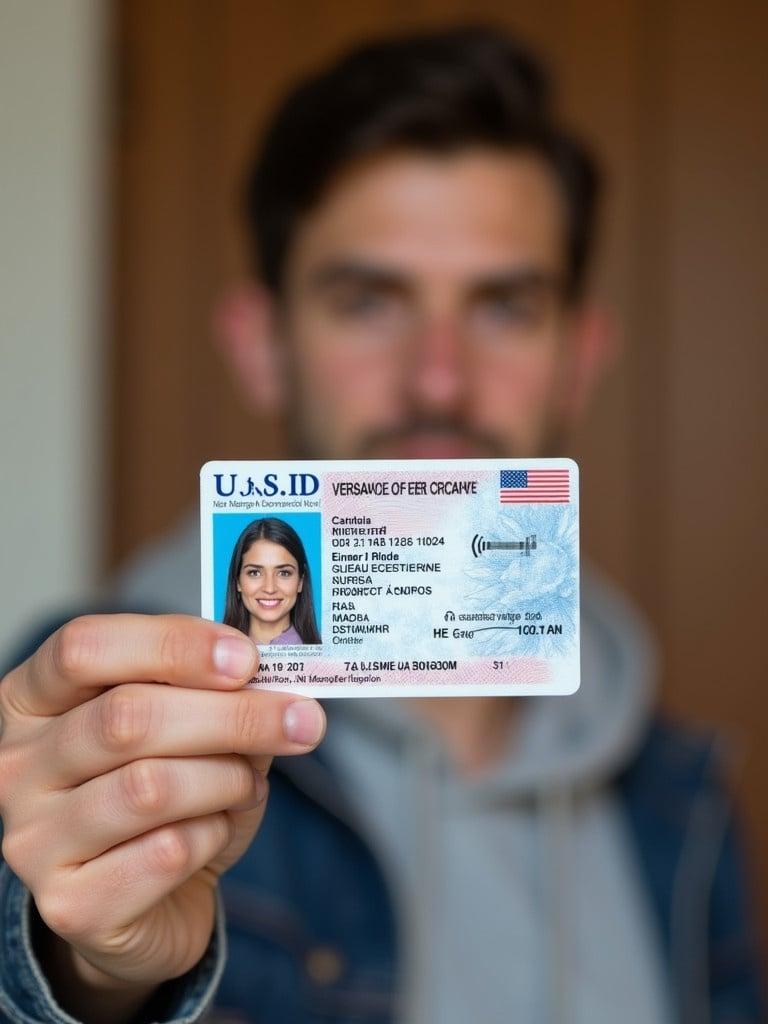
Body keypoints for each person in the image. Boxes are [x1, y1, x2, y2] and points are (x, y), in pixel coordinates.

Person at [0, 25, 764, 1024]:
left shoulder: (683, 800)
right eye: (367, 301)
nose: (437, 378)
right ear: (261, 343)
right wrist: (84, 972)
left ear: (580, 355)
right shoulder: (87, 721)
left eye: (503, 306)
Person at [223, 517, 321, 645]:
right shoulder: (213, 653)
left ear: (300, 582)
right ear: (238, 581)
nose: (270, 588)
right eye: (255, 573)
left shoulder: (331, 660)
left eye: (284, 573)